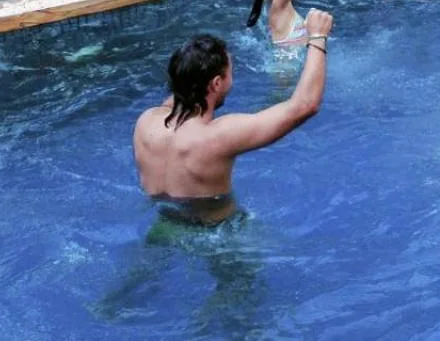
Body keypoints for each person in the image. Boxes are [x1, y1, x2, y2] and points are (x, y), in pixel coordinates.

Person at [132, 23, 332, 225]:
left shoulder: (146, 122)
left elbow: (178, 97)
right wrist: (318, 36)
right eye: (230, 73)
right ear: (217, 83)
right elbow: (305, 105)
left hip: (163, 225)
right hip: (218, 231)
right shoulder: (217, 137)